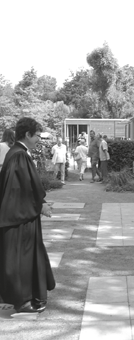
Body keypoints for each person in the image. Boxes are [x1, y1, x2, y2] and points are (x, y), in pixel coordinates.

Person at [0, 117, 55, 313]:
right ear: (28, 134)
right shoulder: (19, 155)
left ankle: (22, 297)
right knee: (22, 259)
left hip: (19, 214)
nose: (39, 139)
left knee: (20, 258)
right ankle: (23, 301)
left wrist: (40, 202)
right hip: (20, 217)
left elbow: (25, 186)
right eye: (38, 135)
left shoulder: (16, 153)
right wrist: (40, 205)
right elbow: (21, 189)